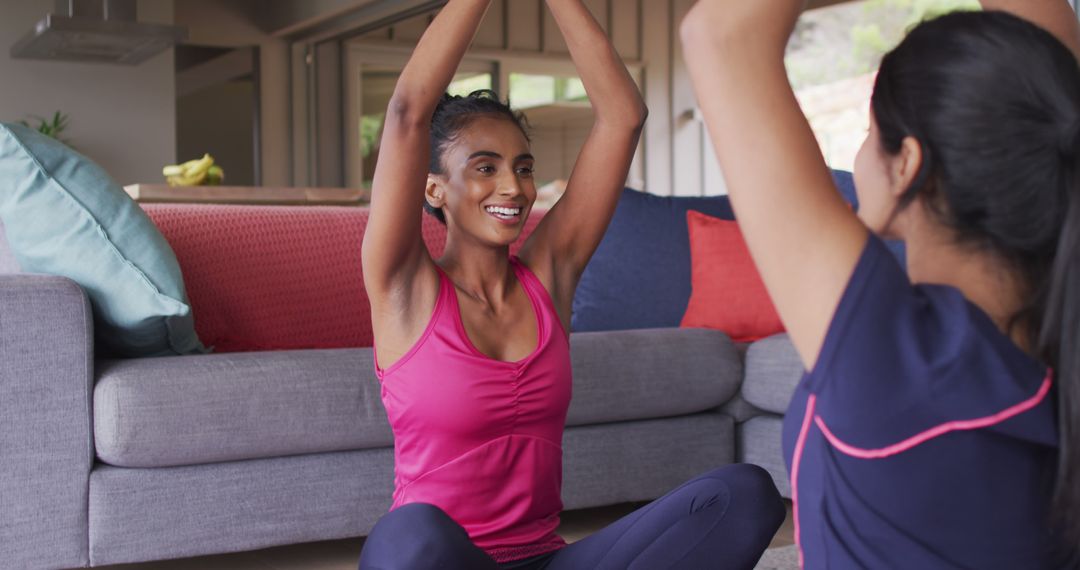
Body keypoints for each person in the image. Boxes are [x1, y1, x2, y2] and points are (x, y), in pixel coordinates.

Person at [357, 0, 784, 568]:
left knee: (742, 494)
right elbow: (409, 111)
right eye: (485, 167)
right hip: (440, 559)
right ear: (434, 190)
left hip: (545, 559)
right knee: (413, 534)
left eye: (524, 167)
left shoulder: (548, 276)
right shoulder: (403, 288)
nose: (513, 186)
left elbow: (623, 116)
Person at [681, 0, 1080, 567]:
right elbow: (1049, 91)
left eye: (871, 132)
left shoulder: (902, 361)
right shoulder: (1052, 326)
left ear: (906, 163)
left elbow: (720, 32)